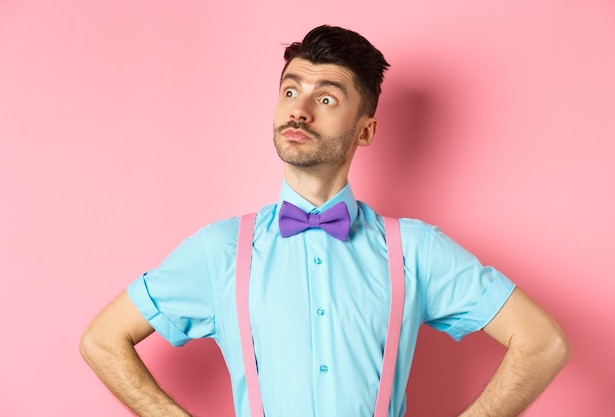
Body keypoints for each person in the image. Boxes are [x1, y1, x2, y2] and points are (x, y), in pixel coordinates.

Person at [80, 25, 572, 417]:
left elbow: (542, 343)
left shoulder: (415, 250)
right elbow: (102, 340)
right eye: (290, 91)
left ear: (366, 130)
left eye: (327, 97)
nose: (300, 109)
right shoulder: (222, 249)